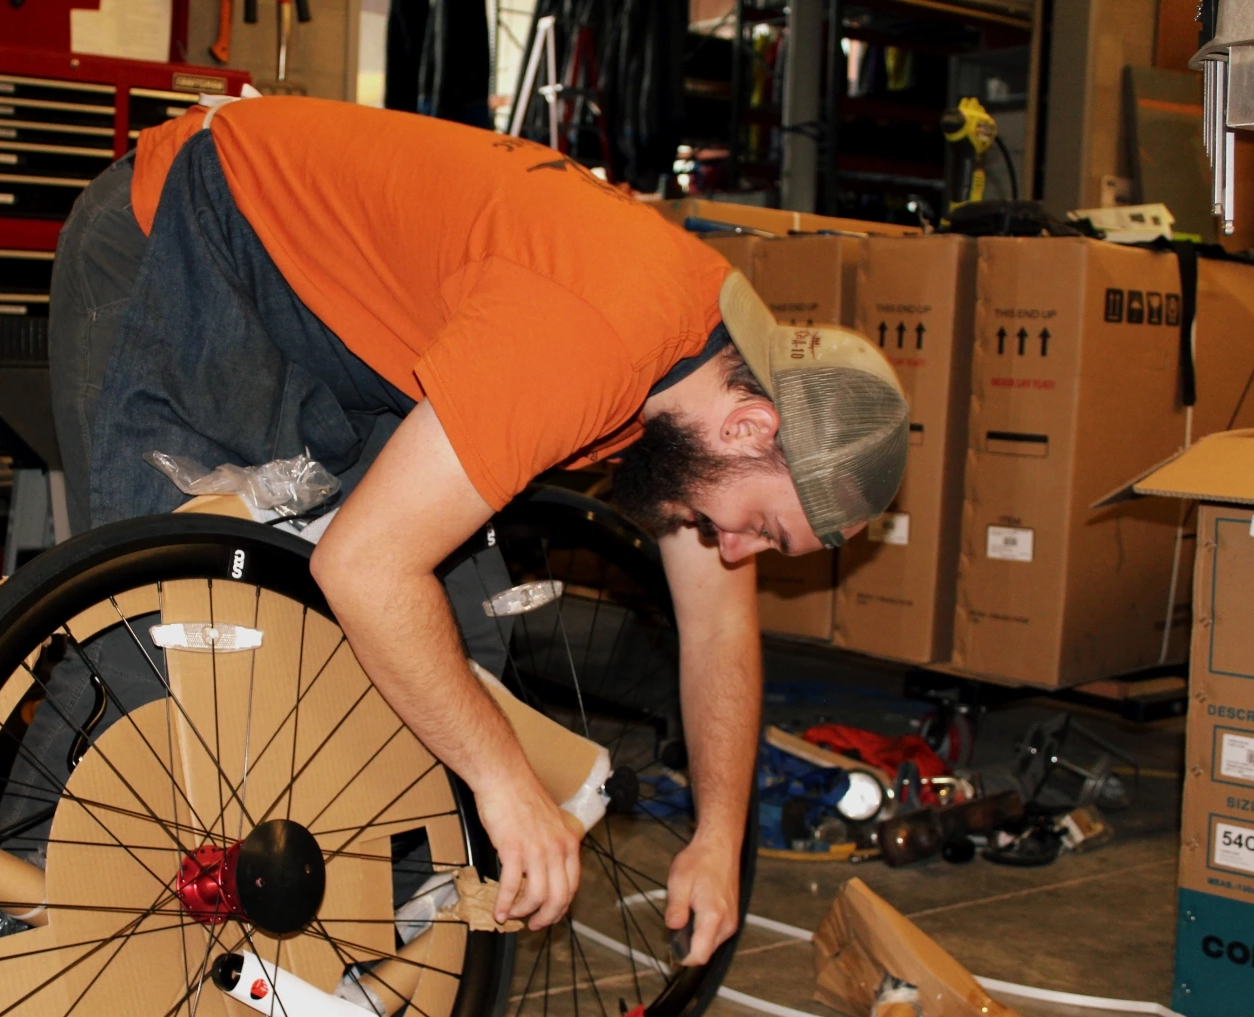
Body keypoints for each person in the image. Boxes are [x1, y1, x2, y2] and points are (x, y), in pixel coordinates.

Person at [48, 93, 908, 968]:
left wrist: (720, 838)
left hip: (347, 324)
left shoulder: (710, 379)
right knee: (158, 646)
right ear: (753, 428)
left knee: (454, 658)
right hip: (192, 229)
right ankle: (11, 908)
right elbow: (368, 569)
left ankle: (343, 966)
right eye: (761, 526)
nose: (735, 551)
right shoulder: (596, 333)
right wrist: (508, 787)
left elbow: (720, 624)